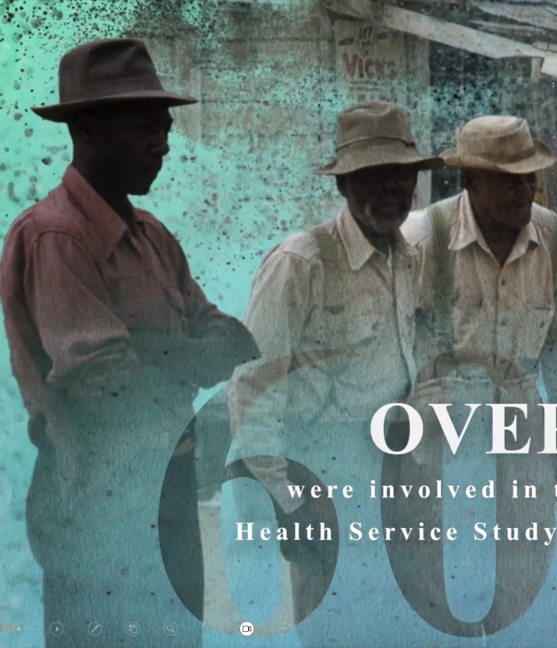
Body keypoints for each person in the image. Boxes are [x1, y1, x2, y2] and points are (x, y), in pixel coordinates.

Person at [0, 38, 260, 647]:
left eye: (165, 128)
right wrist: (183, 356)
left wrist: (149, 348)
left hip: (167, 494)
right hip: (96, 503)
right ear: (88, 129)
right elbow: (109, 390)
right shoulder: (56, 237)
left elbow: (236, 341)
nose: (163, 144)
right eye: (146, 128)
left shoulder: (152, 236)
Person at [227, 102, 442, 647]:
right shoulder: (300, 263)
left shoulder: (409, 258)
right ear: (344, 185)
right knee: (334, 628)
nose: (391, 189)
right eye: (373, 175)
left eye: (401, 175)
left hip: (396, 476)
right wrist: (286, 502)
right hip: (322, 478)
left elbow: (417, 360)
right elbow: (254, 387)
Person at [397, 115, 557, 640]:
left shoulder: (555, 240)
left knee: (526, 600)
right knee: (441, 599)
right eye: (508, 181)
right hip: (438, 447)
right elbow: (391, 351)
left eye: (529, 178)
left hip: (523, 440)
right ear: (470, 182)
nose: (524, 190)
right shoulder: (421, 240)